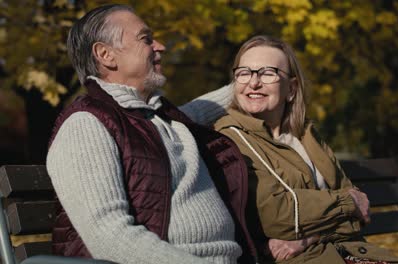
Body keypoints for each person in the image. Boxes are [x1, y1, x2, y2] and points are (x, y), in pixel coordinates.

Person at [46, 4, 260, 264]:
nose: (160, 46)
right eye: (145, 39)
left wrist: (251, 82)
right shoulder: (85, 126)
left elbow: (202, 108)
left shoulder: (158, 119)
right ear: (106, 55)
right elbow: (110, 238)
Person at [214, 35, 398, 264]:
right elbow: (275, 217)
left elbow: (361, 212)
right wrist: (346, 205)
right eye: (244, 73)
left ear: (292, 88)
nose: (254, 82)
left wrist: (308, 238)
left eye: (267, 73)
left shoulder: (306, 135)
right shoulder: (228, 138)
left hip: (349, 252)